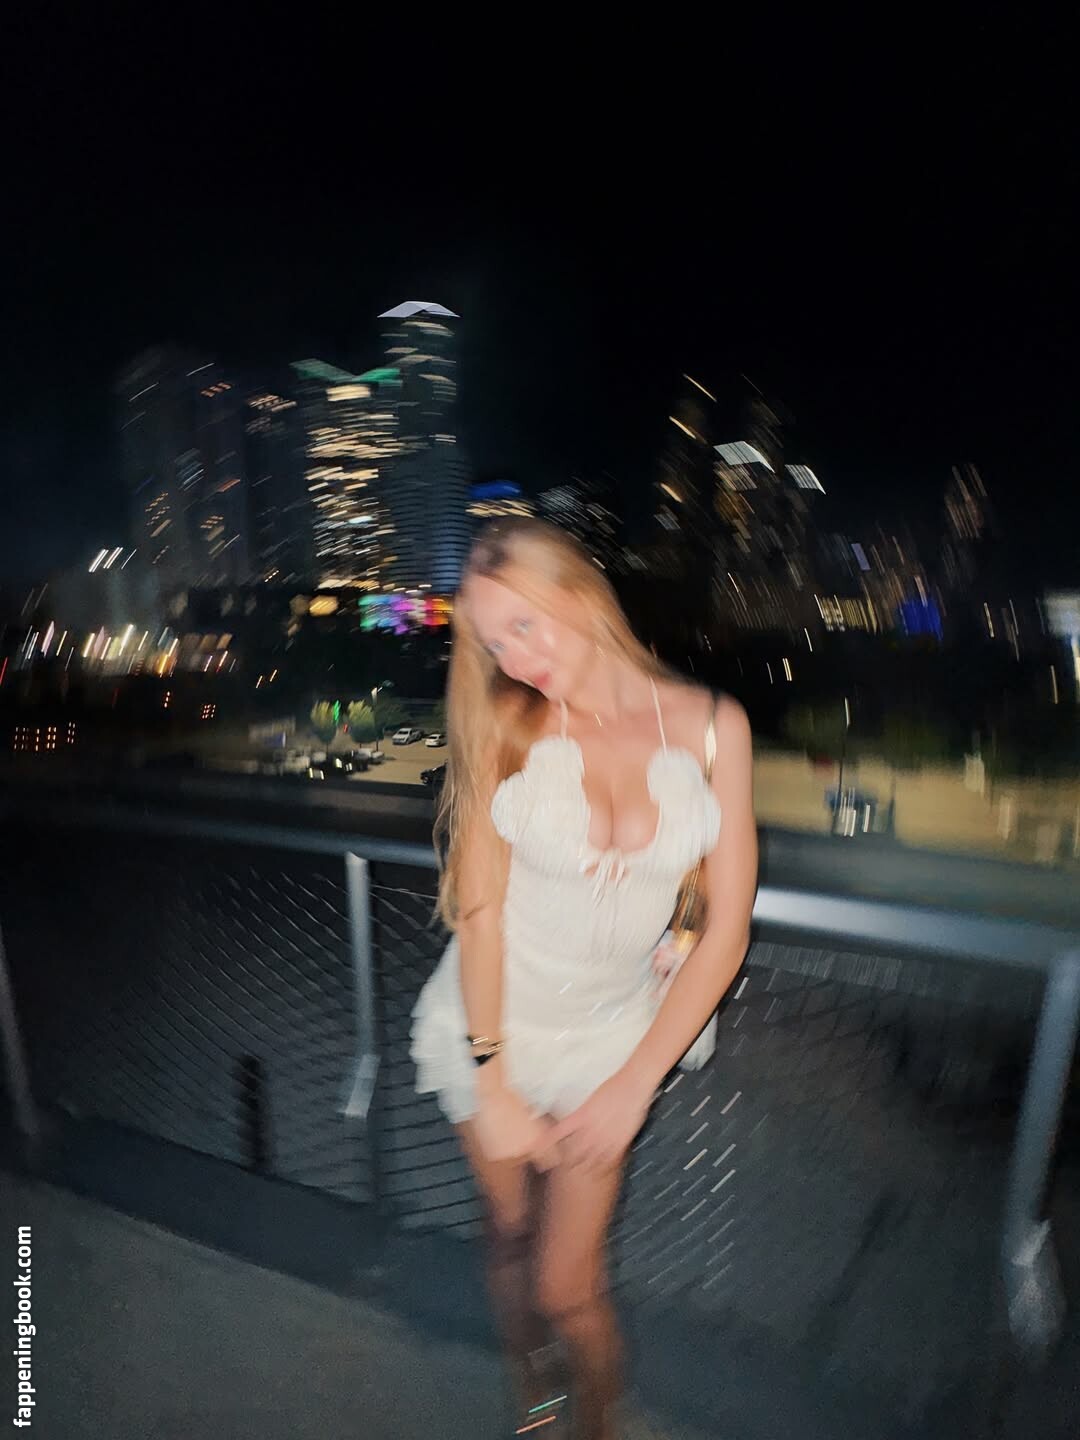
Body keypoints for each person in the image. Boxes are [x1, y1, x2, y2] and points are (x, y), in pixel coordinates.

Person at [411, 518, 757, 1439]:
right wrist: (492, 1080)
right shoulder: (509, 722)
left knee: (570, 1283)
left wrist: (635, 1082)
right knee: (508, 1233)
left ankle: (594, 1422)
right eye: (494, 644)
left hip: (610, 1036)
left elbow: (725, 929)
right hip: (493, 1019)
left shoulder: (713, 728)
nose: (515, 660)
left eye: (524, 626)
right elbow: (480, 915)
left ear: (578, 593)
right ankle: (533, 1391)